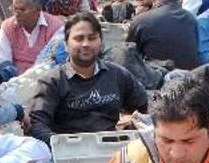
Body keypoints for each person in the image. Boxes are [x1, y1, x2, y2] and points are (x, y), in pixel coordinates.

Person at [28, 12, 148, 146]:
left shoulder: (117, 74)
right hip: (68, 156)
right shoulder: (51, 82)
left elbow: (147, 107)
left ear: (101, 41)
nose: (86, 44)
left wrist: (134, 123)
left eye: (92, 38)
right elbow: (36, 126)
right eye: (79, 39)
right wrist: (62, 146)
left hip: (112, 151)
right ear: (66, 44)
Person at [126, 0, 201, 70]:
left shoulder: (142, 21)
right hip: (189, 78)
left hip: (157, 80)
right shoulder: (191, 19)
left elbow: (128, 53)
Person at [0, 0, 63, 75]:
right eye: (14, 9)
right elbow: (3, 62)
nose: (16, 14)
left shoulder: (55, 27)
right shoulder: (7, 27)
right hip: (14, 80)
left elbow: (57, 63)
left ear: (38, 9)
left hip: (46, 79)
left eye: (22, 10)